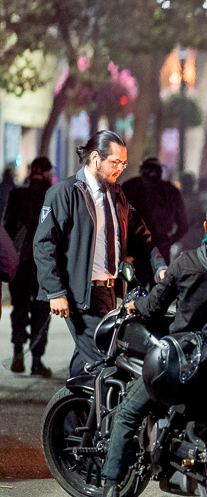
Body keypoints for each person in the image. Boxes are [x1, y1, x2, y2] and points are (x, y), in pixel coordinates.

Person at [83, 195, 207, 497]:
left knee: (125, 413)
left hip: (186, 366)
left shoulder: (186, 263)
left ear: (206, 227)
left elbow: (152, 310)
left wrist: (135, 306)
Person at [33, 131, 166, 378]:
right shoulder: (65, 193)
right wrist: (55, 291)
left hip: (107, 291)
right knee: (104, 360)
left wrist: (159, 266)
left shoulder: (116, 194)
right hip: (79, 294)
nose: (120, 168)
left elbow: (140, 236)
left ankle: (69, 414)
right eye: (115, 162)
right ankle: (106, 416)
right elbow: (44, 244)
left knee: (84, 362)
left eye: (123, 163)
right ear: (95, 158)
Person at [3, 157, 54, 376]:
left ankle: (17, 353)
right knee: (41, 310)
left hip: (20, 263)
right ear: (47, 172)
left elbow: (7, 228)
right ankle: (35, 360)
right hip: (45, 264)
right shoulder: (55, 196)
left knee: (20, 307)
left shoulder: (17, 195)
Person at [121, 156, 188, 263]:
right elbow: (183, 224)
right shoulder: (171, 191)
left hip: (137, 246)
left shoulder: (129, 187)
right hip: (156, 247)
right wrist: (169, 241)